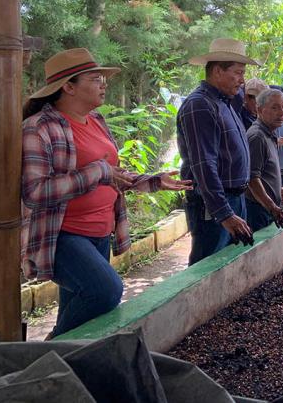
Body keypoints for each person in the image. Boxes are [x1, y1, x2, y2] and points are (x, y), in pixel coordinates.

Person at [21, 48, 192, 337]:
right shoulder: (39, 128)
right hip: (62, 235)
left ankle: (64, 373)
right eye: (96, 78)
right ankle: (46, 357)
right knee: (105, 291)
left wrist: (152, 181)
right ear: (68, 86)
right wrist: (97, 171)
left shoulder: (96, 121)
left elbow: (112, 175)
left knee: (80, 319)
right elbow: (35, 192)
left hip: (99, 231)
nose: (104, 84)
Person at [178, 38, 256, 266]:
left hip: (235, 197)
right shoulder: (200, 105)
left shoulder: (225, 102)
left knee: (230, 265)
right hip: (214, 204)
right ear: (217, 71)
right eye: (238, 73)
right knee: (208, 267)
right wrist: (223, 213)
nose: (242, 81)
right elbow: (204, 165)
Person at [244, 89, 283, 232]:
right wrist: (272, 206)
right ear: (259, 110)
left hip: (266, 208)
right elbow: (252, 178)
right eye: (274, 107)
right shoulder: (257, 136)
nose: (281, 113)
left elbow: (265, 172)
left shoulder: (269, 133)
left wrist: (277, 191)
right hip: (259, 209)